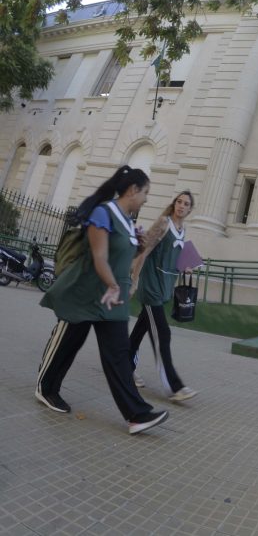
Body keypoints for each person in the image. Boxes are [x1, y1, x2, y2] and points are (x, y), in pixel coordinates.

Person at [35, 165, 169, 435]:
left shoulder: (129, 221)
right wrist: (111, 284)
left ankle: (137, 415)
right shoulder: (103, 213)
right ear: (132, 190)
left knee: (119, 356)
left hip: (111, 301)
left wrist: (139, 245)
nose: (146, 199)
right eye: (145, 193)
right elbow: (99, 257)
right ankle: (45, 388)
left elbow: (124, 257)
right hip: (86, 295)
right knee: (68, 343)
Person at [129, 190, 197, 402]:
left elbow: (173, 257)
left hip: (164, 288)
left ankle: (123, 366)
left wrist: (186, 267)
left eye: (186, 204)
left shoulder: (182, 229)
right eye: (179, 201)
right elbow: (144, 250)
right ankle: (174, 387)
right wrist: (134, 280)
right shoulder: (163, 222)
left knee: (140, 330)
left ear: (190, 209)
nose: (181, 206)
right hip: (151, 287)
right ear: (174, 203)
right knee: (162, 333)